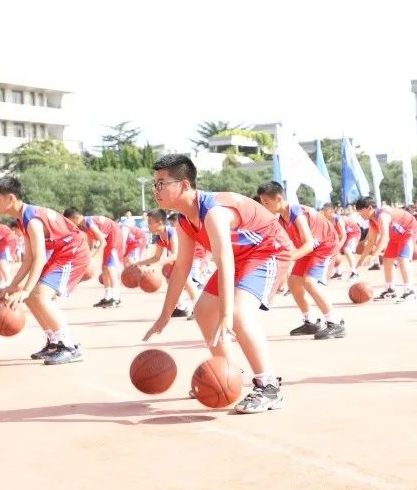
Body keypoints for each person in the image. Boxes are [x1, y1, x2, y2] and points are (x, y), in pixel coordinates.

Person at [143, 155, 292, 414]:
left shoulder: (214, 212)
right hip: (240, 256)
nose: (156, 190)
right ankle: (227, 376)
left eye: (161, 183)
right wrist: (165, 314)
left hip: (268, 249)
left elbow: (224, 260)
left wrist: (225, 313)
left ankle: (269, 386)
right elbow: (181, 267)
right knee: (202, 311)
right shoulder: (183, 220)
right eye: (154, 184)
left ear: (185, 185)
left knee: (237, 312)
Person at [0, 176, 90, 364]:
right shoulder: (23, 219)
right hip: (62, 253)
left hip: (73, 252)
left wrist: (26, 289)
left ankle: (69, 346)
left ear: (10, 198)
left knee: (39, 296)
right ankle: (54, 342)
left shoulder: (33, 220)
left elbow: (40, 258)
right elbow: (28, 258)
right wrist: (13, 286)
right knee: (30, 296)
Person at [256, 181, 345, 339]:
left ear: (278, 199)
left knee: (309, 282)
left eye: (266, 202)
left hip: (325, 247)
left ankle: (335, 323)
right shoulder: (281, 219)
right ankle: (310, 322)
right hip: (310, 249)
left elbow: (309, 244)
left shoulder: (297, 212)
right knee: (294, 282)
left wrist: (287, 258)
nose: (263, 206)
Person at [131, 208, 199, 318]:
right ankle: (182, 308)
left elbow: (175, 254)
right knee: (171, 279)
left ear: (160, 223)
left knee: (186, 281)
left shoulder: (172, 232)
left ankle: (198, 309)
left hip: (193, 254)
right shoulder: (159, 237)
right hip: (180, 257)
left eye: (150, 223)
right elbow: (156, 257)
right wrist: (139, 263)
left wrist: (156, 265)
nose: (148, 226)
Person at [354, 197, 417, 302]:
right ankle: (390, 290)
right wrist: (361, 260)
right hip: (395, 236)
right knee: (387, 259)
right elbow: (371, 241)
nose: (360, 214)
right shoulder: (372, 220)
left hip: (408, 230)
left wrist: (374, 256)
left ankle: (409, 291)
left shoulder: (382, 215)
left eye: (361, 211)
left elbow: (385, 237)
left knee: (402, 259)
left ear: (369, 208)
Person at [64, 209, 126, 309]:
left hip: (114, 236)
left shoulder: (89, 222)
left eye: (69, 221)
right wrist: (88, 257)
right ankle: (108, 297)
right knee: (104, 268)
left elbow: (102, 241)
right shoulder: (83, 227)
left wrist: (93, 257)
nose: (69, 224)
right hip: (108, 238)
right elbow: (91, 244)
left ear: (75, 217)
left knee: (110, 268)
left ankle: (116, 298)